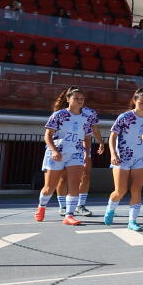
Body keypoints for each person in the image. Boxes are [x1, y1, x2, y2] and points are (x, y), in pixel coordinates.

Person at [36, 87, 96, 226]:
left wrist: (86, 155)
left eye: (82, 99)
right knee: (50, 187)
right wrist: (55, 151)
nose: (80, 101)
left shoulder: (86, 118)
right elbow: (48, 135)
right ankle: (41, 206)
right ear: (68, 99)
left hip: (75, 153)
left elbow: (87, 138)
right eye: (76, 98)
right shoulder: (59, 115)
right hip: (57, 153)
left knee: (74, 184)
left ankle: (69, 215)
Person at [103, 89, 143, 231]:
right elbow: (112, 137)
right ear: (135, 101)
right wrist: (113, 154)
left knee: (136, 189)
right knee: (120, 190)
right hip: (122, 158)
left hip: (141, 158)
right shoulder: (125, 117)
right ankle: (110, 209)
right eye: (141, 102)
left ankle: (132, 221)